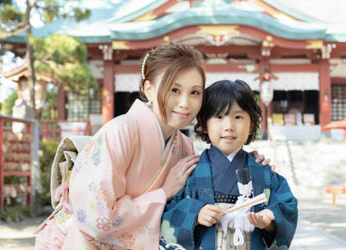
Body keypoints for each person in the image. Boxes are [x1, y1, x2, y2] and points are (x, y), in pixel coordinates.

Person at [34, 44, 270, 250]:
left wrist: (248, 163)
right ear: (149, 89)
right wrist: (163, 193)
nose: (185, 103)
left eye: (195, 92)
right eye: (174, 90)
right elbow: (98, 218)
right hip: (79, 243)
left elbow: (198, 196)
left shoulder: (184, 147)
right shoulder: (120, 131)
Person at [159, 79, 298, 250]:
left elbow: (287, 207)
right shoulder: (191, 172)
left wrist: (269, 220)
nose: (229, 126)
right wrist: (196, 214)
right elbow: (166, 214)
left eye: (238, 117)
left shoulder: (262, 172)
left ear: (252, 124)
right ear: (204, 124)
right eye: (219, 117)